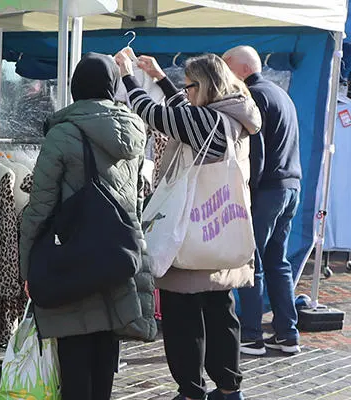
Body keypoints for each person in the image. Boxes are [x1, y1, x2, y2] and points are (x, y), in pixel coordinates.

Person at [118, 49, 259, 400]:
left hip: (189, 237)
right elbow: (184, 113)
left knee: (183, 320)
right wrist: (161, 78)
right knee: (221, 313)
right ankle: (229, 388)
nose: (187, 92)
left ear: (207, 86)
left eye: (190, 86)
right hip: (220, 237)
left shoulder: (206, 123)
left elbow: (154, 114)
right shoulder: (233, 117)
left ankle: (191, 391)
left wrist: (127, 76)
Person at [18, 53, 153, 400]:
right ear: (112, 87)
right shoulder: (135, 131)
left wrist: (27, 266)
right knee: (106, 350)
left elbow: (40, 207)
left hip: (72, 256)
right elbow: (134, 201)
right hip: (118, 252)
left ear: (76, 88)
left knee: (75, 355)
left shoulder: (62, 134)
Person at [223, 45, 303, 356]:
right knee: (276, 263)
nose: (225, 77)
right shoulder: (280, 94)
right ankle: (287, 334)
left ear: (240, 69)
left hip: (267, 189)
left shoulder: (253, 97)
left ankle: (251, 336)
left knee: (251, 262)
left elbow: (255, 154)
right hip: (290, 186)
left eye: (227, 69)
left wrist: (247, 190)